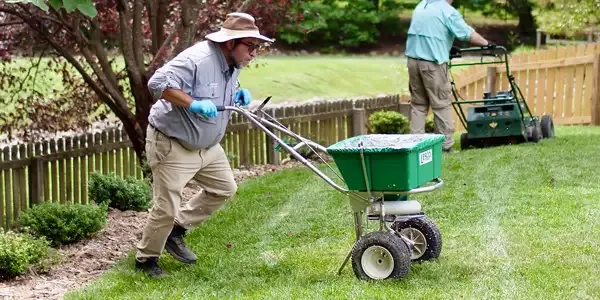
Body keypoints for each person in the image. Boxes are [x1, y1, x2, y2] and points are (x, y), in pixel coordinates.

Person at [135, 12, 274, 278]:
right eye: (251, 46)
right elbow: (156, 82)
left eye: (257, 47)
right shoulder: (197, 59)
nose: (254, 53)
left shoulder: (232, 64)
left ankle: (176, 231)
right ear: (230, 43)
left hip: (208, 147)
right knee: (166, 206)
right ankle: (146, 260)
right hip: (173, 143)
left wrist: (236, 93)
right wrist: (192, 103)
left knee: (224, 188)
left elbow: (216, 88)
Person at [405, 0, 493, 151]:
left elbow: (430, 33)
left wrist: (447, 47)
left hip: (413, 61)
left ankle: (415, 146)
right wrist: (487, 44)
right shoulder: (447, 11)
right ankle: (445, 147)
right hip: (432, 64)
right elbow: (467, 33)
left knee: (419, 105)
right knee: (441, 104)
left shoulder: (422, 6)